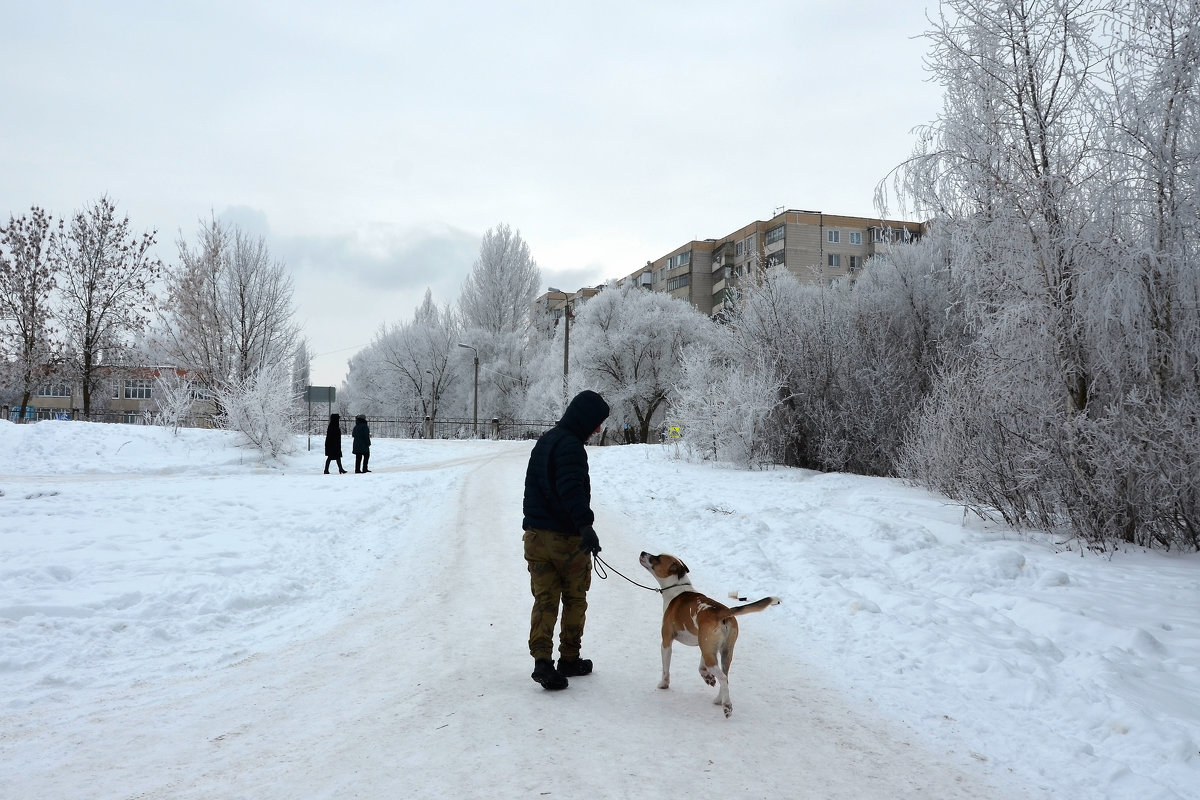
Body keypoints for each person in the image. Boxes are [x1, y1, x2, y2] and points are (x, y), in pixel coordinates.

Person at [522, 389, 610, 690]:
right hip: (565, 541)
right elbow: (571, 489)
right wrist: (585, 527)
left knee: (545, 600)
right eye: (597, 423)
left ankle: (542, 663)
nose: (598, 429)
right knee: (574, 598)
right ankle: (569, 658)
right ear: (585, 420)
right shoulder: (571, 447)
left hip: (535, 537)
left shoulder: (545, 441)